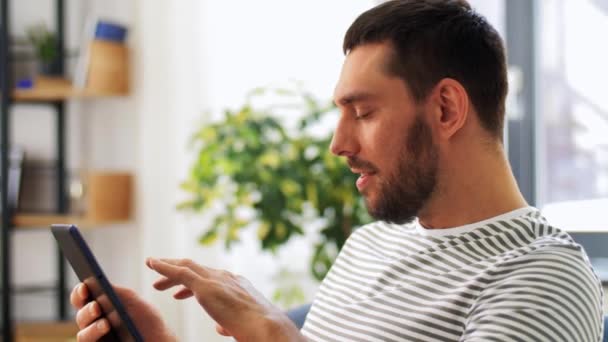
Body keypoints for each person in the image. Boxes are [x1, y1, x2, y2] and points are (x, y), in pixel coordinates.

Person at [71, 0, 605, 341]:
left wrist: (275, 334)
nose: (338, 144)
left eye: (364, 112)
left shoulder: (541, 277)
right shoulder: (370, 246)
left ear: (445, 109)